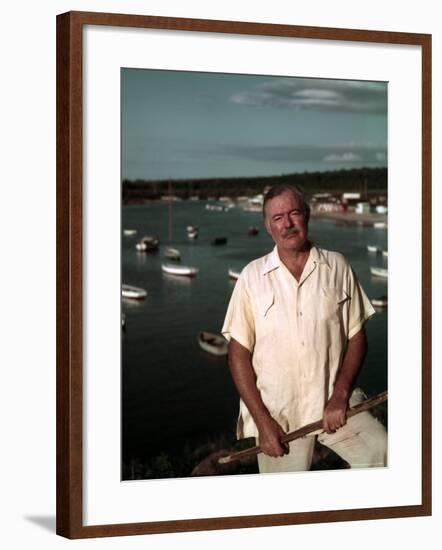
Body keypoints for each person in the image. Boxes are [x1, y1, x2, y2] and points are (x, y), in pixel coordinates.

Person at [221, 184, 387, 473]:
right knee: (284, 506)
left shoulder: (338, 266)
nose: (287, 224)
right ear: (267, 226)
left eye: (294, 213)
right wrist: (262, 421)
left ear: (307, 216)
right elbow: (237, 354)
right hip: (279, 417)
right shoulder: (251, 277)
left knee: (383, 453)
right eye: (277, 218)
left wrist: (341, 393)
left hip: (337, 406)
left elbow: (357, 336)